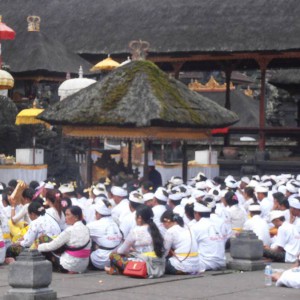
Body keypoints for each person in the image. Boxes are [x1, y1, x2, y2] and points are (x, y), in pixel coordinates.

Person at [105, 205, 164, 275]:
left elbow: (121, 251)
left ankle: (115, 269)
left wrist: (129, 252)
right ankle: (116, 269)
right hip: (159, 267)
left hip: (144, 267)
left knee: (113, 255)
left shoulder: (135, 231)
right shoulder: (157, 230)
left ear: (139, 218)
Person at [38, 206, 91, 274]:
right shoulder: (87, 228)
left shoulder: (70, 230)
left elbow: (51, 246)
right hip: (83, 266)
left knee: (43, 239)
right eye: (65, 214)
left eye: (68, 215)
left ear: (76, 217)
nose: (65, 217)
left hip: (69, 266)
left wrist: (37, 248)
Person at [191, 201, 226, 272]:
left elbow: (190, 246)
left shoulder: (196, 227)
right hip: (221, 262)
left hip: (205, 263)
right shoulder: (217, 224)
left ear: (197, 213)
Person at [161, 210, 199, 274]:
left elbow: (164, 252)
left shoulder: (170, 231)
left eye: (163, 223)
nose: (163, 226)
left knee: (157, 264)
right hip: (196, 265)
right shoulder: (188, 228)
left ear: (167, 221)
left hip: (182, 264)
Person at [87, 201, 122, 270]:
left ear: (98, 213)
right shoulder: (116, 220)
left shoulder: (93, 225)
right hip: (117, 259)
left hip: (101, 260)